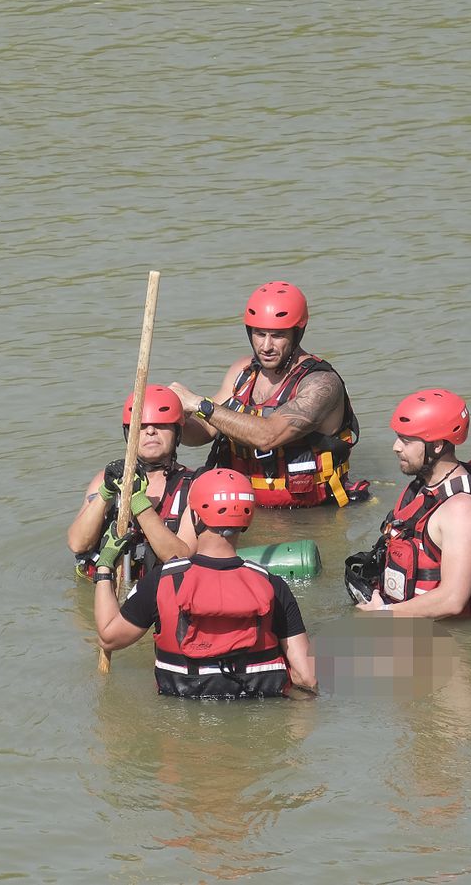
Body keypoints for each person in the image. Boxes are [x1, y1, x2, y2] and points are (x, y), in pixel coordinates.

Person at [92, 468, 318, 699]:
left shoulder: (162, 581)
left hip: (180, 724)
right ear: (248, 518)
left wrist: (105, 564)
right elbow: (306, 677)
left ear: (196, 517)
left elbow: (109, 637)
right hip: (260, 715)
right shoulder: (273, 585)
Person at [168, 280, 366, 509]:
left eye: (278, 335)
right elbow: (205, 432)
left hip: (312, 515)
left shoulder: (321, 383)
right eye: (259, 334)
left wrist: (198, 404)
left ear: (297, 333)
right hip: (247, 512)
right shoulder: (241, 374)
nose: (266, 346)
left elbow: (268, 437)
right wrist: (173, 416)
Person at [351, 389, 471, 618]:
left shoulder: (461, 511)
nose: (395, 447)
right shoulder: (424, 485)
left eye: (406, 440)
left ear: (436, 445)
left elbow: (452, 600)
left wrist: (383, 613)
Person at [67, 385, 199, 581]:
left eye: (161, 425)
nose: (151, 431)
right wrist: (105, 494)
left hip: (154, 596)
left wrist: (138, 502)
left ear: (177, 432)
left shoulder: (194, 486)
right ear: (129, 434)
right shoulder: (108, 478)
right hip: (104, 589)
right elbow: (78, 544)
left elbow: (180, 557)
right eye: (141, 426)